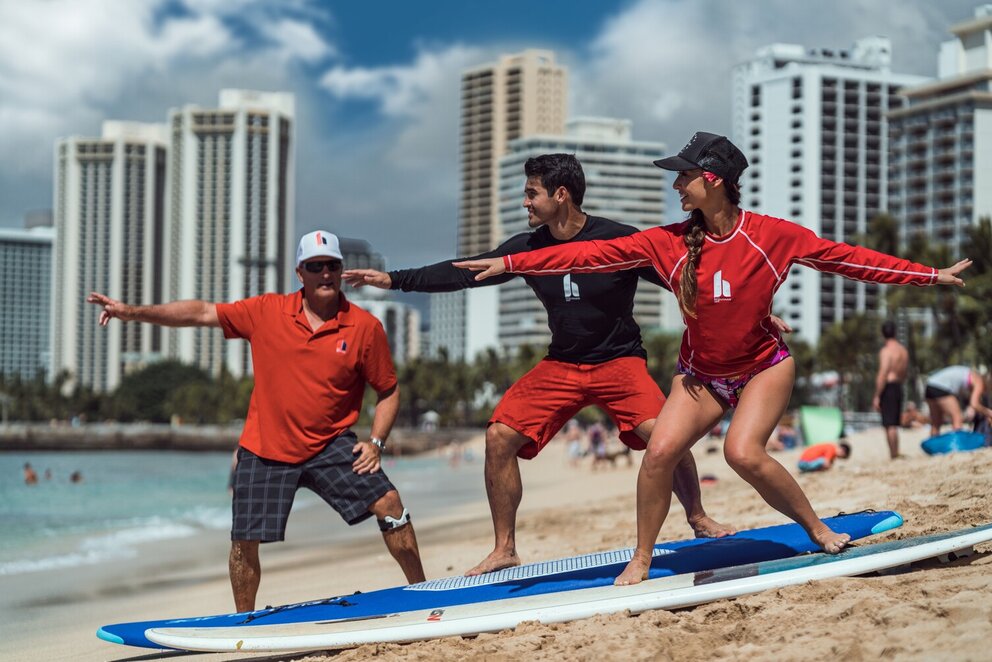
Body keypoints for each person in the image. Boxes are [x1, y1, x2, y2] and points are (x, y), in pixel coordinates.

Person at [455, 131, 971, 585]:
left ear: (713, 179)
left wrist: (930, 276)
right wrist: (509, 261)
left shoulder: (772, 236)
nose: (676, 188)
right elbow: (585, 254)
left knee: (743, 454)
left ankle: (817, 528)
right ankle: (641, 557)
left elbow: (850, 260)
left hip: (763, 367)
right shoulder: (667, 243)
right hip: (700, 375)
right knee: (658, 453)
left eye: (683, 178)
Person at [344, 153, 740, 576]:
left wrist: (746, 310)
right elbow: (465, 271)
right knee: (498, 437)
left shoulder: (617, 240)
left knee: (666, 438)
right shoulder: (527, 247)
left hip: (619, 361)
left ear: (561, 194)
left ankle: (697, 516)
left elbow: (682, 280)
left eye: (532, 194)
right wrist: (395, 279)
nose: (525, 203)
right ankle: (505, 548)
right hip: (562, 365)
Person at [86, 230, 425, 611]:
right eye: (316, 267)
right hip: (265, 447)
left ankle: (423, 596)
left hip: (332, 443)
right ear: (301, 273)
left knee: (390, 503)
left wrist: (376, 442)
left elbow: (389, 390)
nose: (325, 274)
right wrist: (132, 312)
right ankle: (244, 624)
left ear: (341, 270)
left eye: (332, 265)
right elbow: (200, 312)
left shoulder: (364, 327)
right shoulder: (266, 311)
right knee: (244, 541)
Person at [872, 320, 910, 459]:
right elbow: (905, 372)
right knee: (894, 422)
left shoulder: (886, 351)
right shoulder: (903, 351)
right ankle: (896, 452)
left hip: (888, 387)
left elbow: (883, 373)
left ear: (883, 334)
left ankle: (893, 454)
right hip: (899, 386)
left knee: (889, 424)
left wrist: (877, 395)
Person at [924, 365, 992, 437]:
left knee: (936, 422)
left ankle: (934, 445)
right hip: (942, 388)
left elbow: (972, 402)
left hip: (930, 385)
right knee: (957, 418)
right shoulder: (979, 381)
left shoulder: (972, 375)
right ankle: (956, 445)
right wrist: (989, 413)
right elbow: (974, 404)